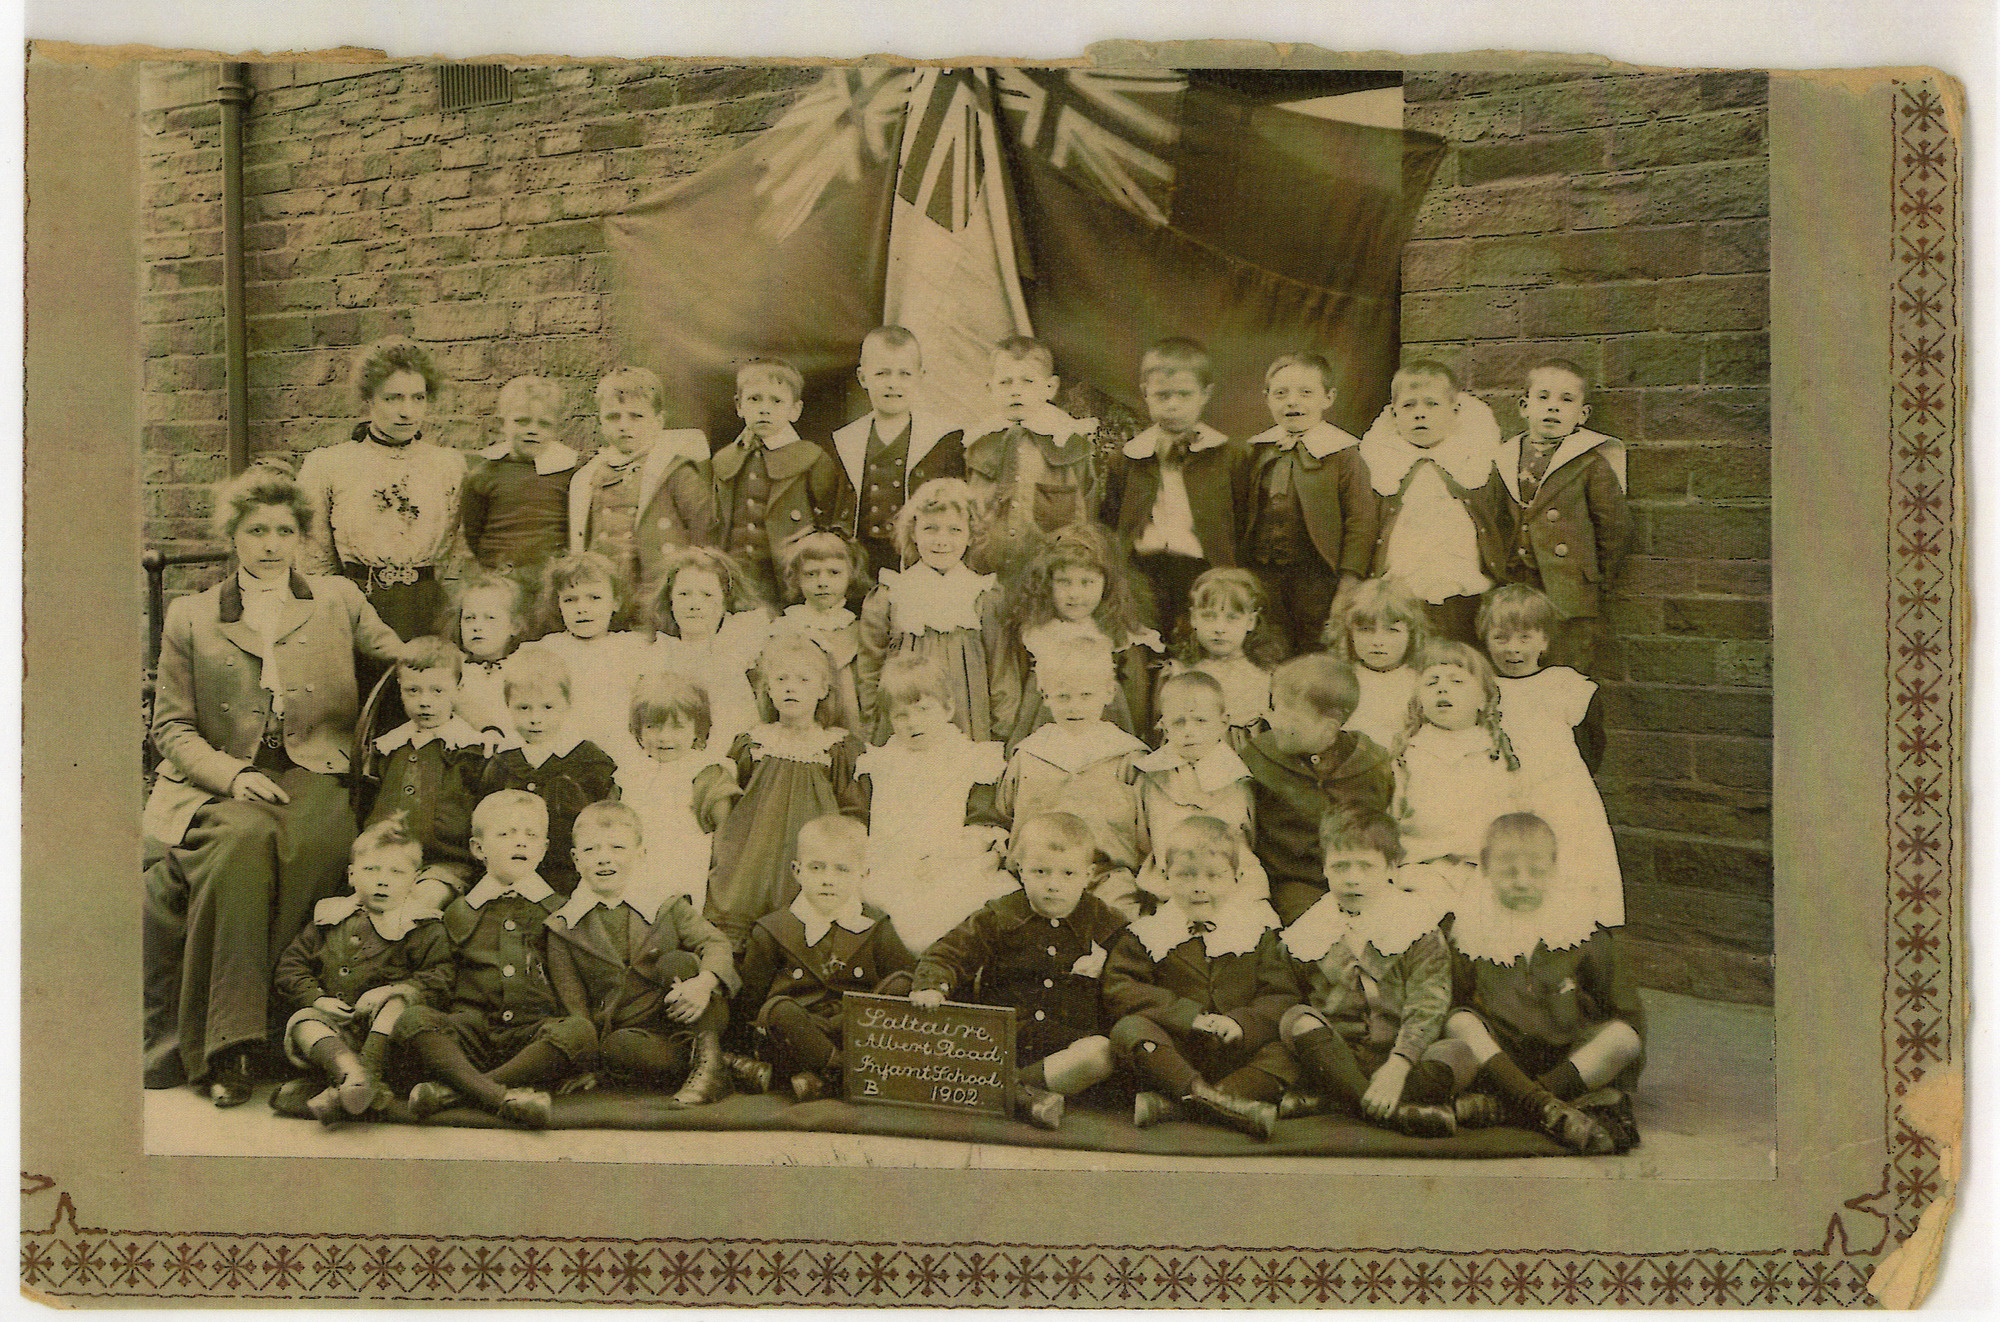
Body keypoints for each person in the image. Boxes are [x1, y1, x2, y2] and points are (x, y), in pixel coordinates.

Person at [143, 461, 405, 1104]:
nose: (270, 544)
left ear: (302, 538)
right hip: (219, 783)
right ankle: (228, 1049)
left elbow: (407, 657)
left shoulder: (338, 599)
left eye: (284, 531)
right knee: (240, 847)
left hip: (317, 765)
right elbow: (169, 727)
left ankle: (288, 1033)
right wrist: (232, 775)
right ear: (233, 535)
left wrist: (483, 667)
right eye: (256, 530)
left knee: (317, 842)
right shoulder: (191, 616)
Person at [1434, 813, 1642, 1155]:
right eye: (1508, 871)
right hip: (1497, 1063)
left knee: (1624, 1037)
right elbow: (1445, 1001)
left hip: (1567, 1062)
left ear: (1554, 867)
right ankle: (1546, 1107)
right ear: (1485, 867)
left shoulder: (1581, 930)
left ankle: (1517, 1104)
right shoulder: (1466, 929)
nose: (1522, 881)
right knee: (1459, 1022)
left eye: (1536, 871)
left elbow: (1624, 1010)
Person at [911, 812, 1128, 1130]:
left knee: (1100, 1053)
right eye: (1041, 871)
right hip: (1003, 1045)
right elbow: (948, 953)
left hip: (1065, 1053)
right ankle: (1015, 1091)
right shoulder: (999, 916)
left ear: (1088, 874)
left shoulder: (1105, 921)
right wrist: (933, 985)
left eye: (1068, 873)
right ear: (1021, 870)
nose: (1053, 885)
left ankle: (1005, 1089)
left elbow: (1136, 968)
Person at [395, 790, 593, 1126]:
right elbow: (442, 976)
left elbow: (580, 984)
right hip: (473, 1031)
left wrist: (588, 1058)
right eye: (506, 834)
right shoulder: (458, 911)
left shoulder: (562, 910)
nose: (521, 843)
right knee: (412, 1020)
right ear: (478, 848)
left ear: (544, 849)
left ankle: (456, 1091)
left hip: (533, 1036)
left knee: (580, 1031)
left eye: (531, 836)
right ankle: (500, 1096)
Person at [1104, 816, 1298, 1140]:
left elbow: (1281, 994)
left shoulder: (1257, 933)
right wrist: (1185, 1015)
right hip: (1175, 1057)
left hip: (1237, 1055)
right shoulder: (1147, 934)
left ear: (1236, 879)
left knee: (1288, 1050)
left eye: (1214, 875)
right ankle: (1214, 1099)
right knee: (1129, 1030)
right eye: (1186, 875)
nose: (1199, 886)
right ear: (1166, 878)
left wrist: (1242, 1024)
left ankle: (1185, 1104)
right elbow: (1120, 987)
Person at [544, 801, 742, 1107]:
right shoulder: (564, 925)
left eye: (617, 848)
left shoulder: (666, 905)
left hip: (690, 1012)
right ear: (575, 859)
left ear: (641, 854)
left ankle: (709, 1052)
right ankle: (718, 1063)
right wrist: (590, 1066)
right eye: (590, 850)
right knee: (618, 1048)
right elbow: (575, 1004)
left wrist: (703, 984)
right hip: (635, 1033)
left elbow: (716, 944)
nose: (604, 859)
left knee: (678, 962)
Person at [1275, 808, 1457, 1137]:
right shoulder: (1312, 929)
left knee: (1458, 1054)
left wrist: (1399, 1065)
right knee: (1297, 1020)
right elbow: (1294, 989)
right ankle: (1391, 1111)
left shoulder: (1416, 924)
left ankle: (1344, 1099)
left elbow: (1428, 1001)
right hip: (1338, 1056)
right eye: (1340, 866)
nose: (1352, 878)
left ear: (1390, 868)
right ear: (1324, 867)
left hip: (1403, 1056)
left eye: (1366, 866)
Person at [272, 817, 452, 1124]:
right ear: (352, 874)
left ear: (415, 879)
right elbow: (291, 967)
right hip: (339, 1031)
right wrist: (317, 999)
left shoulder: (422, 925)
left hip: (392, 1042)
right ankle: (350, 1074)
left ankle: (361, 1078)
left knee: (397, 1004)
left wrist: (393, 991)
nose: (383, 881)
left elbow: (441, 976)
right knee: (303, 1022)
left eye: (397, 872)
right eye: (371, 870)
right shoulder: (330, 917)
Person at [704, 634, 870, 946]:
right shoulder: (753, 742)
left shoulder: (837, 748)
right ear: (768, 688)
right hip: (751, 857)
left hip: (811, 855)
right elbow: (728, 794)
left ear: (822, 690)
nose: (790, 687)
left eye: (803, 679)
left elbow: (853, 811)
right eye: (781, 679)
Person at [736, 815, 916, 1101]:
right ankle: (847, 1075)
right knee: (777, 1009)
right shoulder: (772, 929)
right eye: (816, 868)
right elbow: (749, 1003)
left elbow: (905, 983)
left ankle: (826, 1079)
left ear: (863, 874)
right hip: (800, 1034)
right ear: (797, 871)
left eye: (842, 870)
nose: (828, 880)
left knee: (902, 984)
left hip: (857, 1029)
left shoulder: (875, 925)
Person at [297, 338, 467, 641]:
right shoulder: (329, 465)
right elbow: (314, 555)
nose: (407, 411)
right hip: (356, 611)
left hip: (430, 612)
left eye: (418, 398)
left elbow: (456, 554)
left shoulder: (449, 466)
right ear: (369, 399)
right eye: (393, 398)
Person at [1481, 584, 1623, 927]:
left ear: (1544, 641)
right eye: (1500, 638)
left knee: (1571, 862)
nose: (1513, 649)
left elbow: (1592, 744)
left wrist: (1561, 781)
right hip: (1500, 793)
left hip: (1561, 794)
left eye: (1525, 638)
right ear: (1485, 639)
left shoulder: (1564, 685)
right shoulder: (1481, 688)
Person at [854, 655, 1013, 951]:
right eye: (900, 715)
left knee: (959, 906)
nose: (912, 722)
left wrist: (949, 857)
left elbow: (982, 821)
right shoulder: (880, 762)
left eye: (923, 709)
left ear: (948, 708)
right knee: (884, 907)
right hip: (892, 863)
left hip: (952, 860)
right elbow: (865, 820)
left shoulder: (972, 759)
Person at [1100, 337, 1249, 639]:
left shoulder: (1228, 455)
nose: (1173, 405)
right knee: (1144, 641)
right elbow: (1111, 520)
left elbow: (1244, 518)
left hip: (1205, 571)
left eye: (1184, 394)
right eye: (1162, 395)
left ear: (1205, 394)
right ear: (1145, 394)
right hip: (1142, 569)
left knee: (1197, 641)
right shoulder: (1129, 457)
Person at [995, 638, 1149, 919]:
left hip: (1104, 874)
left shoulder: (1127, 755)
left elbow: (1143, 825)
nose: (1074, 707)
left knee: (1121, 923)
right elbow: (1006, 810)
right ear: (1045, 695)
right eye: (1063, 696)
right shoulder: (1029, 754)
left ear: (1109, 692)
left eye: (1086, 695)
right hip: (1037, 875)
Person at [1359, 359, 1508, 646]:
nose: (1420, 415)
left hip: (1462, 584)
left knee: (1459, 650)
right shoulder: (1382, 466)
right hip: (1401, 588)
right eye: (1409, 406)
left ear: (1454, 413)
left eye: (1431, 405)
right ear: (1393, 415)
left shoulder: (1473, 463)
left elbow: (1499, 520)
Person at [1497, 359, 1632, 676]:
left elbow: (1615, 528)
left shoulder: (1590, 462)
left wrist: (1593, 580)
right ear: (1524, 406)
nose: (1553, 408)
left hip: (1569, 592)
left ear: (1582, 415)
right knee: (1515, 669)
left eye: (1566, 400)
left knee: (1567, 674)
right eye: (1543, 398)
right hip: (1517, 586)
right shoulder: (1504, 458)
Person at [1240, 351, 1378, 655]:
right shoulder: (1258, 450)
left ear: (1328, 398)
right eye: (1280, 393)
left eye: (1306, 393)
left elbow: (1361, 521)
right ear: (1267, 399)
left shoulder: (1343, 454)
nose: (1292, 402)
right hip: (1264, 575)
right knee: (1266, 646)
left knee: (1314, 648)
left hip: (1317, 580)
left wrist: (1349, 581)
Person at [1239, 654, 1395, 924]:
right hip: (1295, 879)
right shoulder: (1258, 757)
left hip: (1357, 875)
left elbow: (1386, 819)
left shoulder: (1370, 762)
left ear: (1329, 728)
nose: (1273, 721)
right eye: (1272, 708)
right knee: (1311, 925)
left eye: (1289, 718)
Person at [854, 478, 1005, 743]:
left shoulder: (983, 596)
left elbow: (1001, 670)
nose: (941, 540)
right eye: (930, 529)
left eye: (955, 530)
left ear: (971, 536)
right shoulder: (892, 594)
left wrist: (1002, 730)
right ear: (913, 533)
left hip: (968, 719)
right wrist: (872, 723)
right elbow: (869, 668)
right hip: (906, 722)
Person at [992, 521, 1163, 749]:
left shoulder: (1115, 633)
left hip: (1105, 722)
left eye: (1087, 583)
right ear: (1048, 583)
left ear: (1106, 584)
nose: (1074, 594)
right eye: (1064, 582)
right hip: (1043, 723)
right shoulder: (1037, 631)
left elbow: (1135, 691)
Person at [475, 647, 619, 897]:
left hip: (570, 883)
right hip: (509, 883)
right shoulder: (501, 764)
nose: (535, 718)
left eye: (548, 707)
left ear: (567, 705)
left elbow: (603, 826)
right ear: (507, 706)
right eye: (523, 708)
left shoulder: (589, 762)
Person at [1389, 641, 1526, 904]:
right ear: (1418, 700)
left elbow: (1517, 807)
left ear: (1483, 698)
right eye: (1431, 683)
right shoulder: (1410, 750)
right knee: (1420, 907)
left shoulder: (1497, 749)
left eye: (1456, 682)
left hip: (1485, 866)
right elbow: (1393, 812)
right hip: (1424, 862)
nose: (1442, 688)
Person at [567, 365, 717, 603]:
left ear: (658, 421)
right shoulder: (589, 477)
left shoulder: (674, 470)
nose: (624, 425)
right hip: (608, 592)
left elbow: (704, 528)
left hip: (660, 587)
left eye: (637, 416)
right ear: (601, 422)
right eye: (613, 417)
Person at [828, 325, 967, 577]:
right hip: (860, 555)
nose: (893, 384)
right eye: (882, 373)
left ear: (920, 376)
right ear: (863, 378)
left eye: (904, 374)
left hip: (919, 556)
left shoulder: (944, 438)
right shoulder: (847, 440)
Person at [359, 637, 484, 908]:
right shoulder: (391, 746)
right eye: (412, 691)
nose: (424, 702)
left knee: (420, 903)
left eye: (437, 691)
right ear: (400, 690)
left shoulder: (468, 749)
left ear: (458, 689)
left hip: (445, 863)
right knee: (360, 904)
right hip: (390, 860)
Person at [962, 336, 1099, 573]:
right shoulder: (977, 442)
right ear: (990, 388)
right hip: (986, 567)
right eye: (1005, 382)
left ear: (1050, 387)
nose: (1016, 391)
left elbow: (1089, 508)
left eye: (1027, 381)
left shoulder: (1070, 442)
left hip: (1048, 569)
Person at [1131, 669, 1265, 910]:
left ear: (1223, 723)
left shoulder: (1237, 780)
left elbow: (1249, 835)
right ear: (1164, 726)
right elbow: (1143, 839)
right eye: (1178, 722)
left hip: (1232, 887)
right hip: (1168, 888)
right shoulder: (1150, 779)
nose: (1189, 731)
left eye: (1201, 721)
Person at [710, 358, 839, 602]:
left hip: (785, 579)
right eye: (754, 399)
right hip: (733, 577)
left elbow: (828, 524)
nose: (764, 409)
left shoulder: (813, 459)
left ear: (795, 410)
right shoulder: (724, 460)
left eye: (776, 401)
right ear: (739, 406)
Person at [615, 674, 739, 916]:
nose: (664, 737)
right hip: (636, 875)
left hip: (686, 876)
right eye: (653, 726)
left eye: (677, 726)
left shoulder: (706, 773)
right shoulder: (630, 773)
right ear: (638, 728)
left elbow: (725, 841)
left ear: (697, 728)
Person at [529, 551, 653, 767]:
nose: (582, 608)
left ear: (615, 602)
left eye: (594, 598)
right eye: (570, 599)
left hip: (621, 749)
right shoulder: (549, 649)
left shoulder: (633, 647)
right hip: (562, 750)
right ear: (558, 605)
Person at [647, 545, 773, 751]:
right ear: (669, 600)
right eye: (684, 594)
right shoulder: (658, 654)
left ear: (725, 603)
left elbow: (737, 729)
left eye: (707, 595)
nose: (694, 604)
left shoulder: (735, 657)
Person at [459, 375, 581, 580]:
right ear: (502, 423)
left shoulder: (569, 472)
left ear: (557, 429)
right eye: (522, 421)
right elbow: (473, 533)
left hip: (550, 579)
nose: (532, 430)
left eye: (544, 424)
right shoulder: (485, 473)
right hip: (500, 577)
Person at [1156, 567, 1281, 745]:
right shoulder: (1178, 672)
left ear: (1251, 621)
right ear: (1193, 618)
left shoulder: (1267, 674)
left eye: (1232, 618)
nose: (1219, 628)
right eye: (1208, 616)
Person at [771, 526, 870, 739]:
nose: (822, 582)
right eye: (811, 574)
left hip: (849, 726)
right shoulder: (786, 628)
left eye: (834, 573)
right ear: (797, 578)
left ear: (851, 574)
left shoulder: (859, 629)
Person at [1327, 575, 1431, 754]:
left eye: (1392, 630)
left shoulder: (1420, 681)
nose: (1378, 641)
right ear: (1349, 634)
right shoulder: (1339, 680)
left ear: (1412, 635)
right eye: (1366, 630)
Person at [450, 572, 530, 744]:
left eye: (490, 618)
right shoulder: (454, 669)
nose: (477, 627)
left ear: (514, 626)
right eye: (469, 618)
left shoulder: (522, 667)